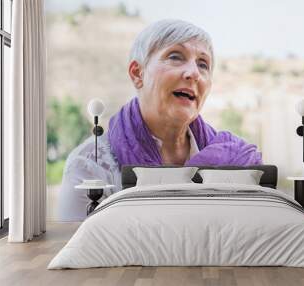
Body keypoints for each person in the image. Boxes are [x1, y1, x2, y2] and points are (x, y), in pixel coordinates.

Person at [58, 19, 262, 221]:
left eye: (203, 64)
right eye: (175, 56)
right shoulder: (89, 166)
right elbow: (75, 245)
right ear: (138, 74)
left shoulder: (236, 157)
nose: (193, 73)